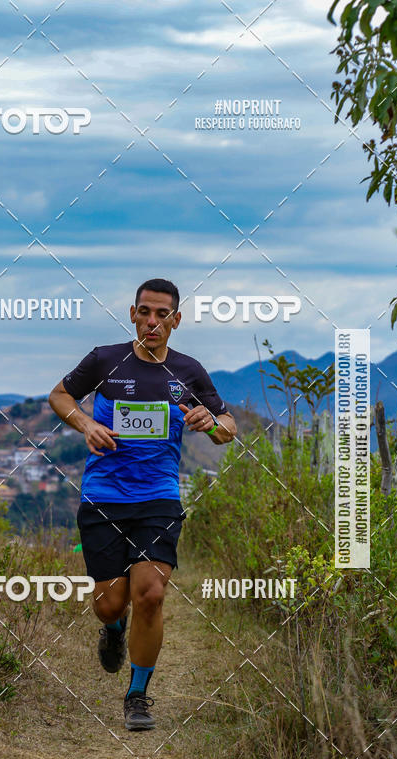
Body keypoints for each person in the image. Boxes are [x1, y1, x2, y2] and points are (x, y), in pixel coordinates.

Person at [48, 278, 236, 730]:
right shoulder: (106, 360)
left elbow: (227, 428)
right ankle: (113, 630)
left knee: (149, 594)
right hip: (104, 497)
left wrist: (210, 422)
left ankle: (137, 695)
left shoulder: (189, 372)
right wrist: (85, 423)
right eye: (145, 313)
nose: (153, 322)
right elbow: (59, 395)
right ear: (133, 314)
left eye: (162, 315)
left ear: (176, 320)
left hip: (159, 498)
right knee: (112, 604)